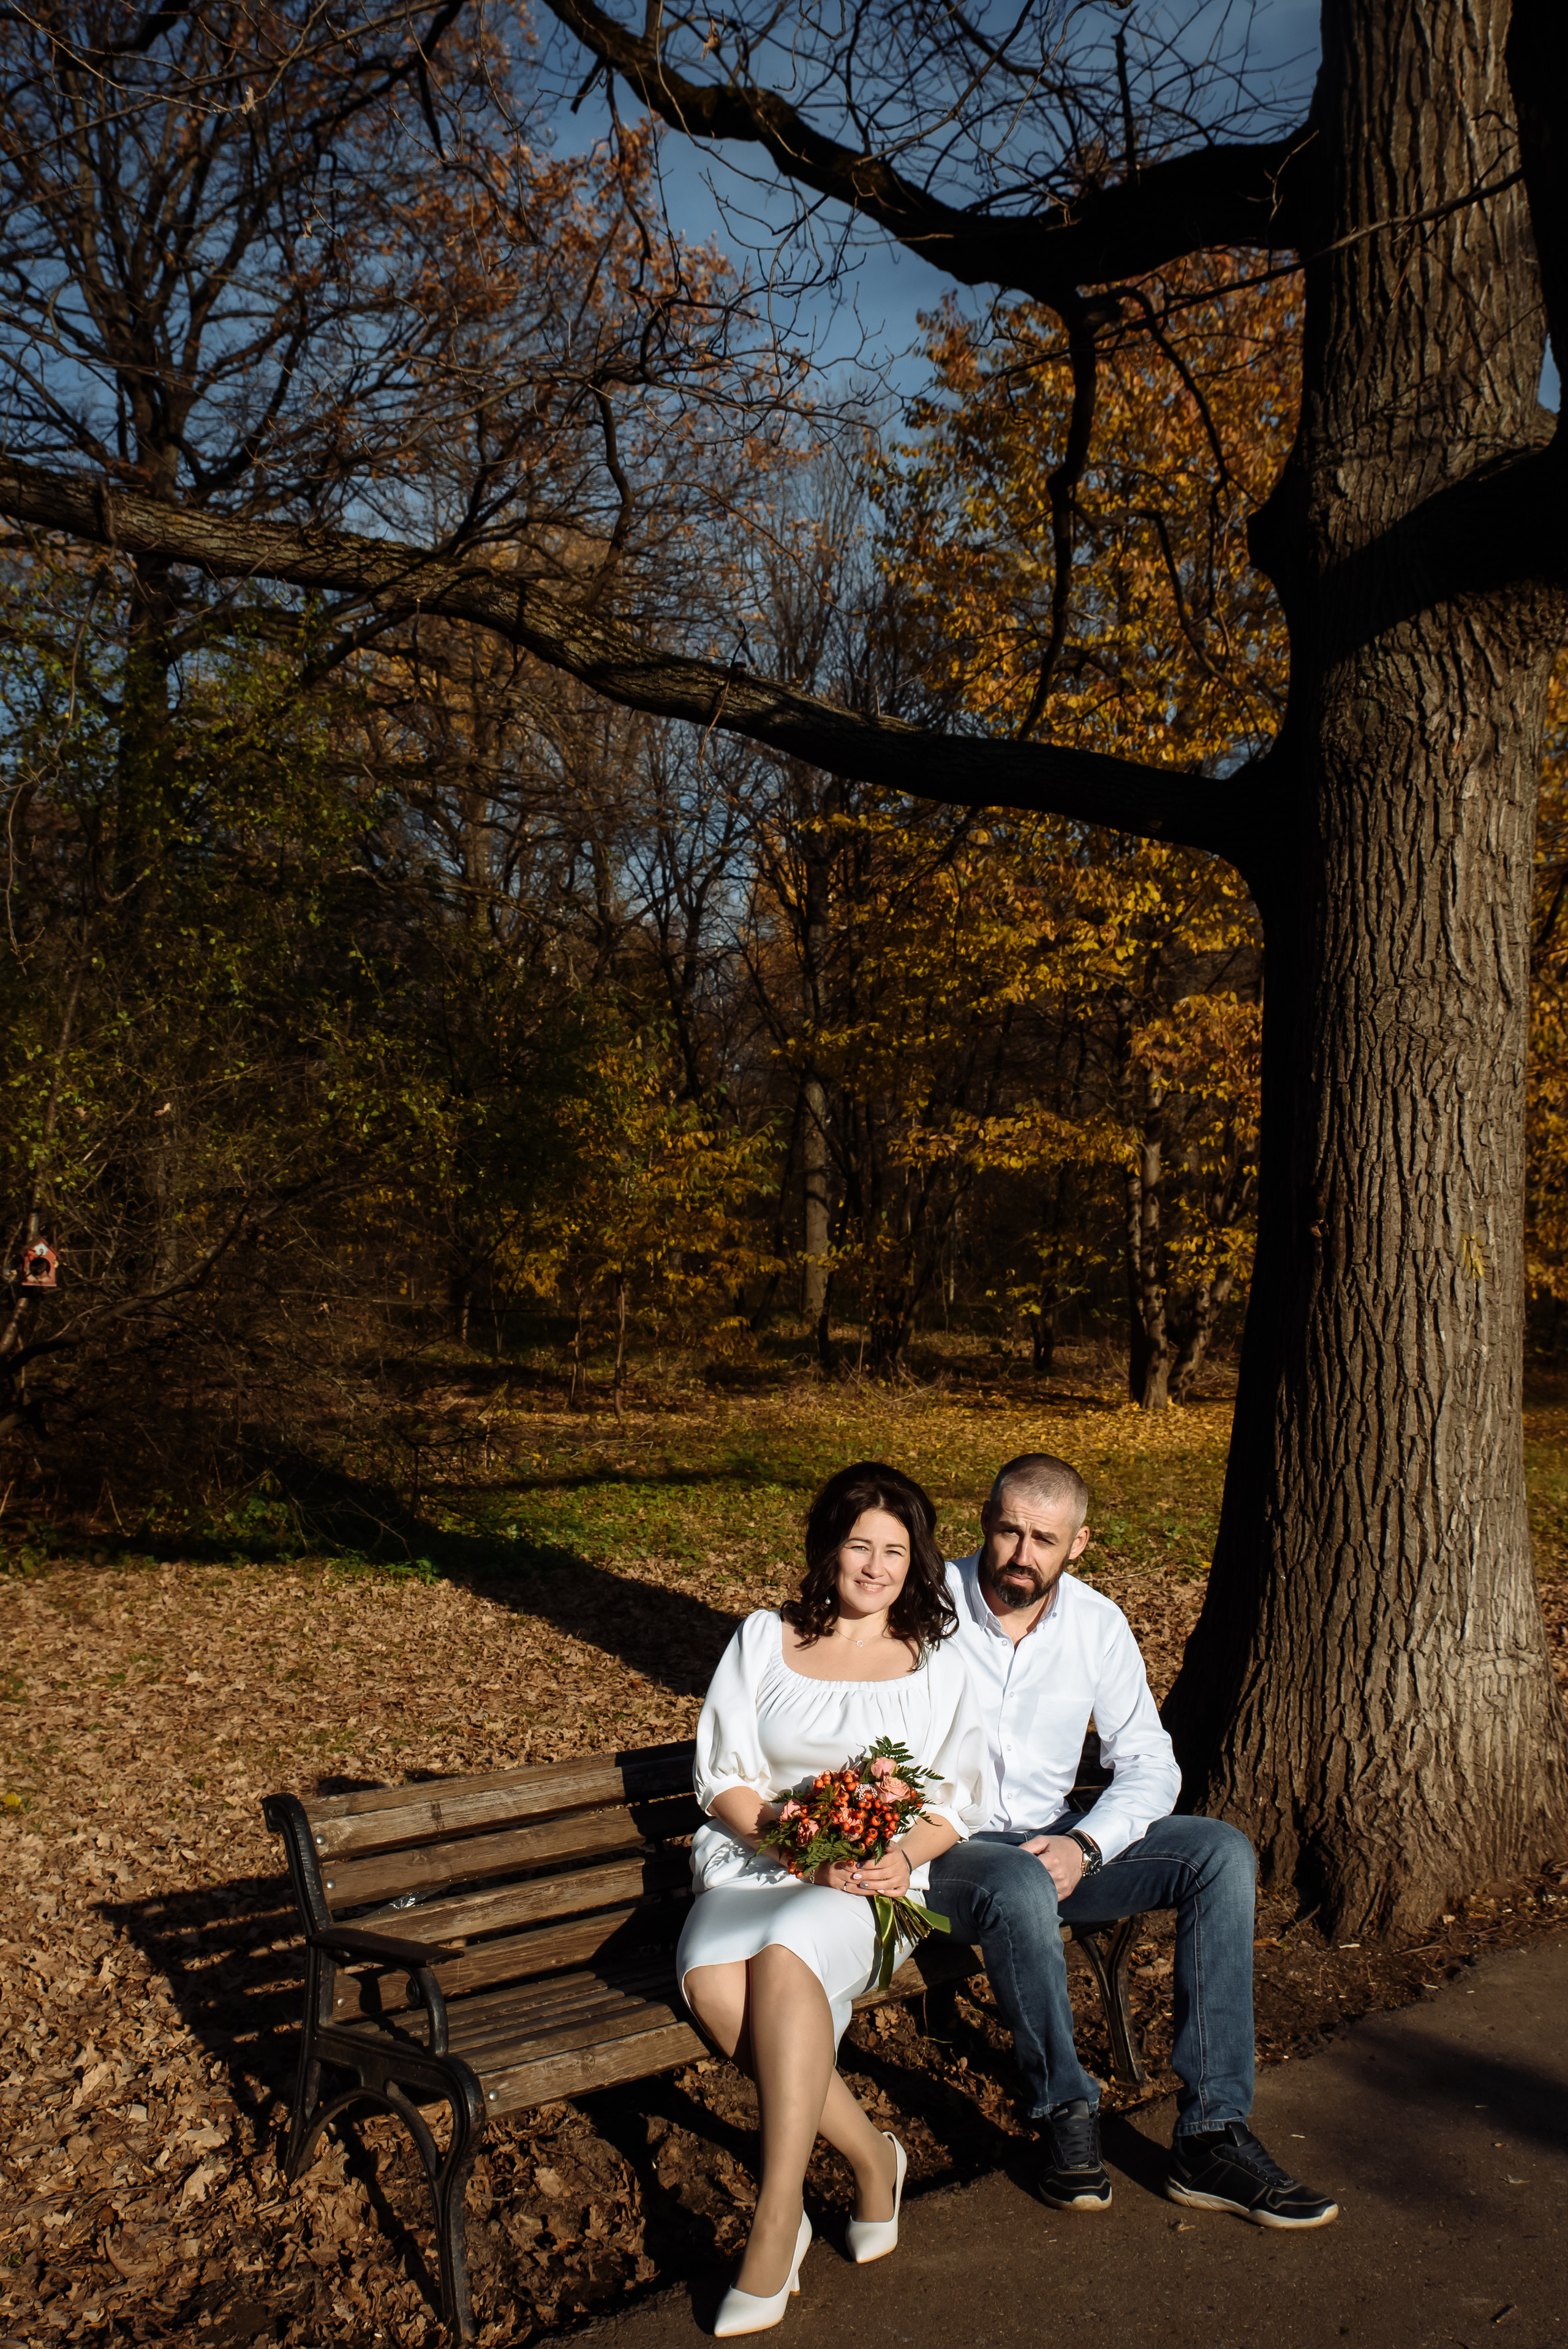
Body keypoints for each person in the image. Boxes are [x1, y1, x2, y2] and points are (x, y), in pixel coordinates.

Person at [927, 1451, 1338, 2232]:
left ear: (1078, 1543)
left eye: (1044, 1540)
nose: (1021, 1556)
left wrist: (1085, 1846)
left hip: (1056, 1842)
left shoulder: (1095, 1623)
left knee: (1219, 1851)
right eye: (1008, 1531)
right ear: (983, 1521)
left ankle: (1211, 2135)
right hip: (948, 1849)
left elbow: (1150, 1763)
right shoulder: (928, 1608)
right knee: (1014, 1880)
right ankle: (1065, 2111)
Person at [677, 1461, 990, 2336]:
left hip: (868, 1882)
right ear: (830, 1548)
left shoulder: (935, 1662)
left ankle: (777, 2220)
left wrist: (901, 1852)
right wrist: (794, 1849)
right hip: (756, 1864)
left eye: (897, 1549)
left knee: (785, 1963)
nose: (877, 1564)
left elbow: (961, 1797)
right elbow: (723, 1779)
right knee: (712, 1984)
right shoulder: (761, 1638)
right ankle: (870, 2155)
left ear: (916, 1561)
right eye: (861, 1544)